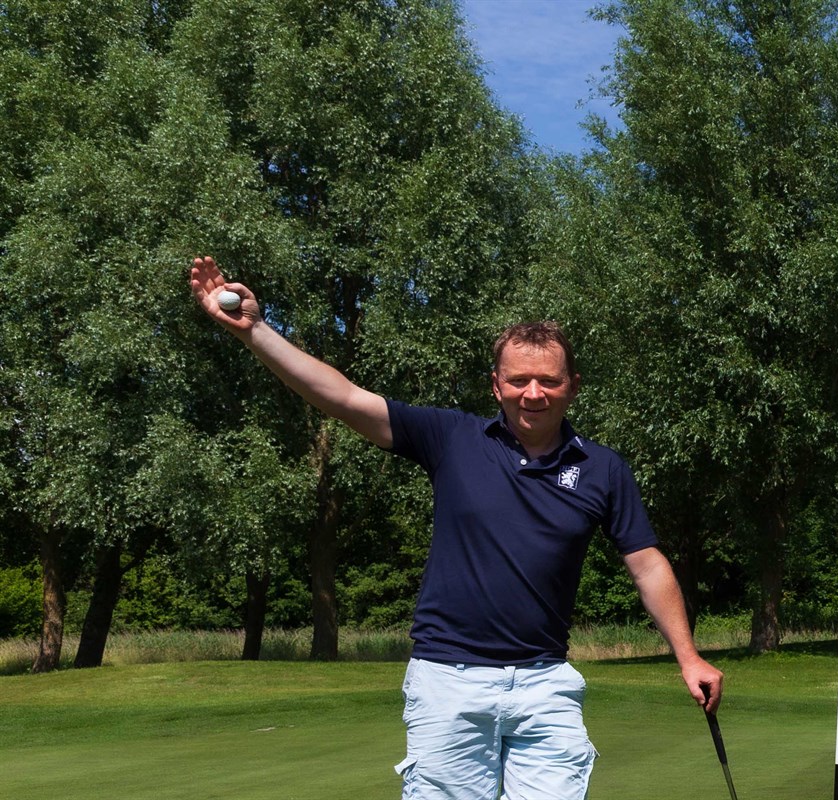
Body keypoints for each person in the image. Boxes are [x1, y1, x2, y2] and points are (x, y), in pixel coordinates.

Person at [190, 256, 722, 800]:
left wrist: (688, 655)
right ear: (496, 386)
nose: (532, 393)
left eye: (548, 381)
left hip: (545, 683)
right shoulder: (452, 438)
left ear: (573, 386)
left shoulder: (603, 468)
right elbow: (344, 397)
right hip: (448, 680)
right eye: (518, 380)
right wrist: (256, 331)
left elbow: (647, 563)